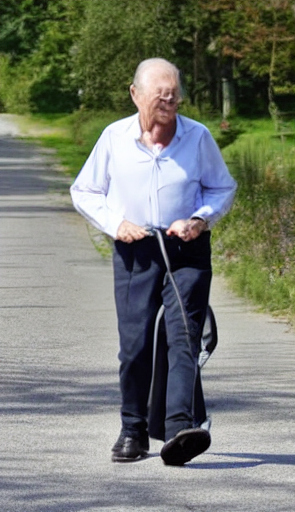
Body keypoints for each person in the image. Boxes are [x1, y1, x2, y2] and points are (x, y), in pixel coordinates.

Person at [70, 58, 237, 466]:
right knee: (136, 346)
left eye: (173, 97)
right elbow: (85, 190)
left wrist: (200, 219)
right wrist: (115, 223)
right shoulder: (114, 138)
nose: (168, 104)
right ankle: (133, 429)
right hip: (136, 248)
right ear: (136, 94)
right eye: (160, 97)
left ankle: (180, 428)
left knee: (184, 337)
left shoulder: (197, 137)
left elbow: (222, 187)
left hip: (186, 249)